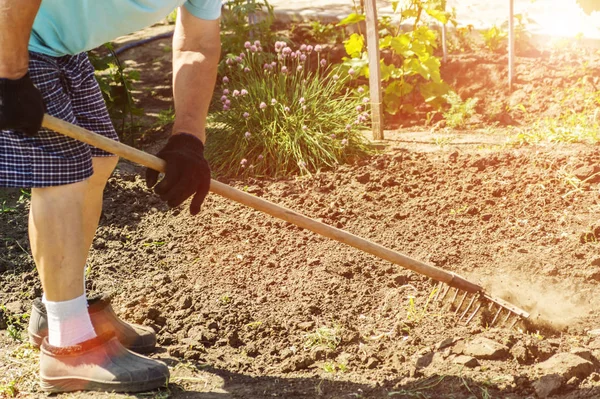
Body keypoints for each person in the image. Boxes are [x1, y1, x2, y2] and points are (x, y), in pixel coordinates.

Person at [0, 0, 220, 393]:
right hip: (10, 37)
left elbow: (197, 41)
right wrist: (10, 75)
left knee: (99, 160)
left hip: (57, 46)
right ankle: (70, 345)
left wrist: (188, 138)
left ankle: (60, 309)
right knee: (62, 175)